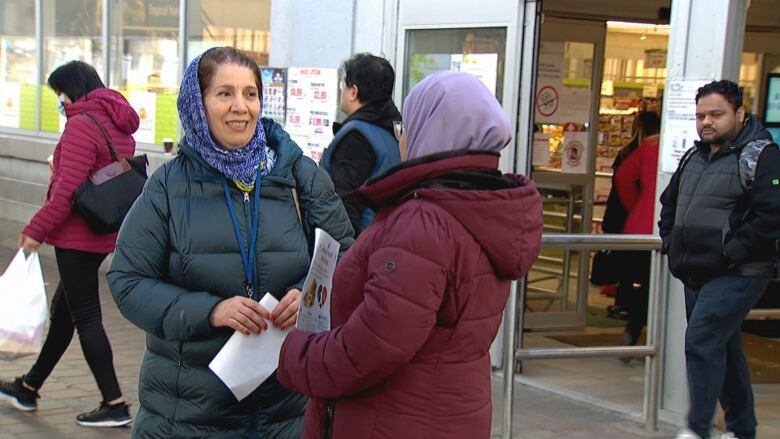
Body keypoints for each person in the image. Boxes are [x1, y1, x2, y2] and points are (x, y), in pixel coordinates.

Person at [277, 71, 543, 439]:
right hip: (446, 412)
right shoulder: (478, 206)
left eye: (406, 124)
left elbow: (371, 346)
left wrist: (293, 352)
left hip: (392, 419)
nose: (401, 135)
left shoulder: (424, 221)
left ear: (432, 129)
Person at [106, 47, 354, 438]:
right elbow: (128, 280)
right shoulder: (169, 187)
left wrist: (305, 296)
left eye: (250, 93)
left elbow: (350, 265)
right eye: (225, 93)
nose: (241, 107)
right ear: (197, 103)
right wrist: (212, 310)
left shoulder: (300, 176)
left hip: (287, 412)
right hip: (187, 416)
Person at [0, 61, 138, 427]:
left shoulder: (81, 124)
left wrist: (35, 231)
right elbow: (97, 177)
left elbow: (65, 194)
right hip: (100, 233)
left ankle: (115, 403)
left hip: (76, 237)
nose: (59, 101)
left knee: (87, 318)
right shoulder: (117, 120)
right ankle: (28, 387)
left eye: (59, 92)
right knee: (65, 314)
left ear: (72, 88)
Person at [659, 80, 780, 439]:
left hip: (740, 272)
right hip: (695, 271)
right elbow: (670, 203)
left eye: (716, 114)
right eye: (700, 115)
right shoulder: (695, 156)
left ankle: (697, 429)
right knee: (723, 345)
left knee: (701, 340)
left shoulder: (762, 156)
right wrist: (670, 240)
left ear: (739, 114)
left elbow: (772, 215)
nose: (706, 122)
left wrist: (730, 253)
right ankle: (742, 429)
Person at [319, 53, 402, 237]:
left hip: (360, 245)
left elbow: (345, 206)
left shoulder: (357, 137)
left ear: (353, 92)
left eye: (344, 85)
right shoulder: (394, 130)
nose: (342, 90)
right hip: (386, 236)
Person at [613, 111, 661, 356]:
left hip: (640, 226)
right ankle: (654, 337)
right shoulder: (699, 150)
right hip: (671, 227)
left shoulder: (650, 146)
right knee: (662, 288)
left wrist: (636, 205)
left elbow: (623, 177)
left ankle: (634, 332)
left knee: (646, 286)